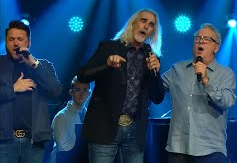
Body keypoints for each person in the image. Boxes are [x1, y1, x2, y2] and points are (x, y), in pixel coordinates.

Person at [77, 9, 165, 163]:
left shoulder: (151, 57)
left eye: (151, 25)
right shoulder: (109, 47)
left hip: (135, 131)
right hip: (105, 127)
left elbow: (157, 97)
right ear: (132, 24)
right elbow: (83, 75)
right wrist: (107, 65)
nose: (146, 26)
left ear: (152, 32)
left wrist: (155, 72)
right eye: (143, 21)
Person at [162, 23, 237, 163]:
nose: (201, 41)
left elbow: (227, 102)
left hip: (210, 150)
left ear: (216, 48)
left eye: (207, 39)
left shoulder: (225, 74)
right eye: (197, 38)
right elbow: (156, 91)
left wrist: (206, 80)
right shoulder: (177, 69)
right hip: (178, 149)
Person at [0, 20, 63, 163]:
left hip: (34, 141)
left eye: (20, 39)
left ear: (28, 42)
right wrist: (13, 89)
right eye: (11, 39)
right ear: (5, 42)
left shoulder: (43, 66)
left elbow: (55, 91)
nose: (16, 43)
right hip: (4, 141)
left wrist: (34, 64)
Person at [50, 76, 91, 162]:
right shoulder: (61, 116)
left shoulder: (89, 116)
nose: (81, 94)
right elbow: (63, 148)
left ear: (89, 93)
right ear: (71, 92)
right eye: (78, 90)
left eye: (85, 90)